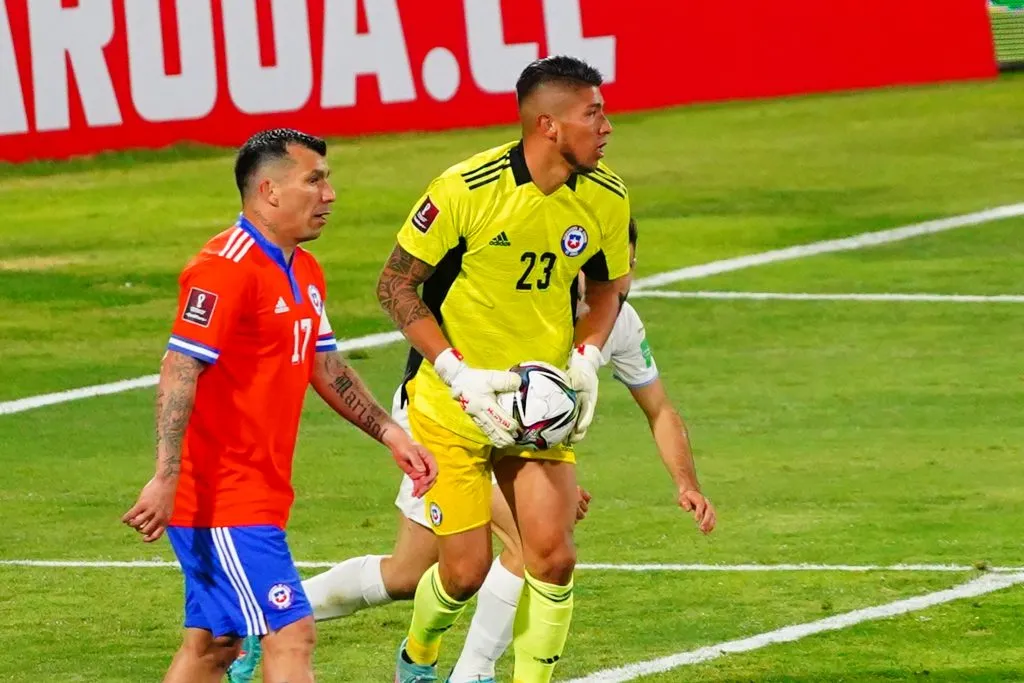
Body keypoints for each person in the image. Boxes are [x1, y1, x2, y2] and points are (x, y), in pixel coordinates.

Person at [226, 218, 717, 683]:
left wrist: (686, 482)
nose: (619, 280)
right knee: (530, 547)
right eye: (606, 268)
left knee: (407, 574)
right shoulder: (519, 306)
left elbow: (660, 409)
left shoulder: (620, 320)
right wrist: (536, 485)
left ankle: (267, 613)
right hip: (444, 417)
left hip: (514, 439)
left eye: (625, 267)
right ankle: (470, 670)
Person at [120, 128, 437, 683]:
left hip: (258, 491)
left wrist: (391, 433)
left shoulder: (304, 271)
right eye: (314, 180)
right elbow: (179, 367)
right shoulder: (224, 267)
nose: (329, 194)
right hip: (219, 496)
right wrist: (165, 476)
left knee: (213, 646)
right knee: (292, 632)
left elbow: (325, 365)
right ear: (268, 190)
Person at [377, 55, 633, 683]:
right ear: (548, 125)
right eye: (592, 114)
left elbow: (608, 285)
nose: (607, 127)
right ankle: (419, 656)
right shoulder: (466, 189)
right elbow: (394, 288)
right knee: (462, 572)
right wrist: (457, 372)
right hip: (452, 403)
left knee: (553, 557)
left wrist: (588, 356)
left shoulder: (606, 196)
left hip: (537, 404)